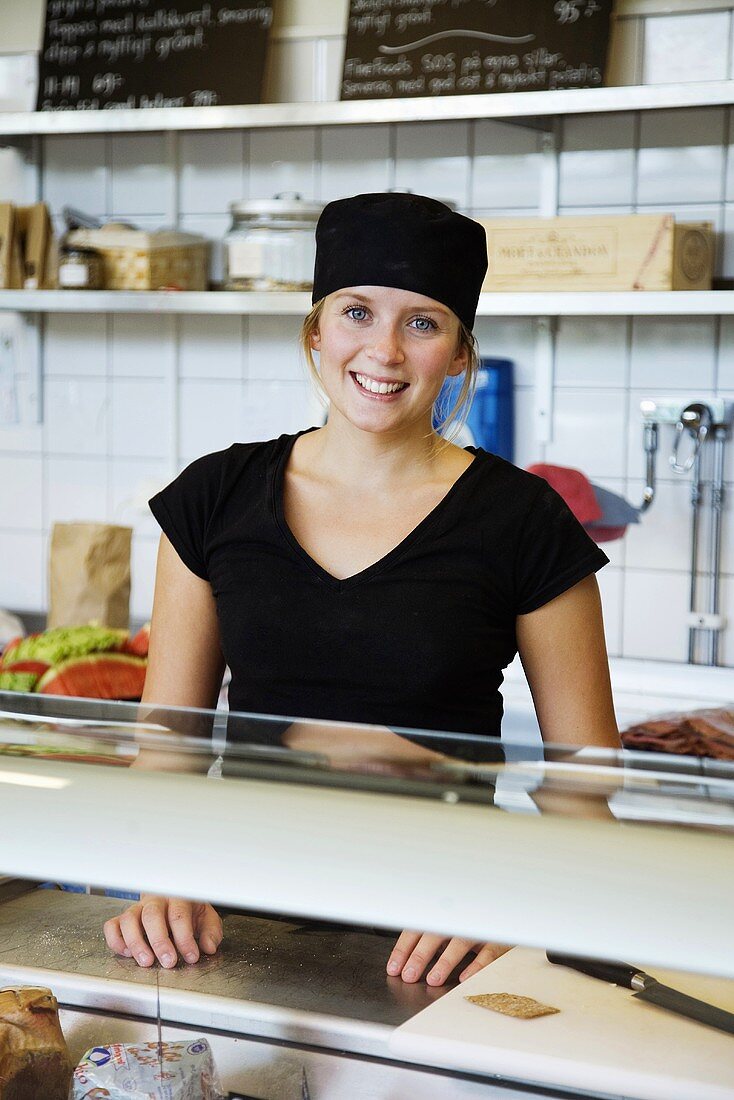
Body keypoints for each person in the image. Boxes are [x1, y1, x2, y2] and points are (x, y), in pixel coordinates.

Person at [103, 192, 620, 987]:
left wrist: (513, 906)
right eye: (356, 312)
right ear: (315, 330)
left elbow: (584, 786)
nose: (383, 351)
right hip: (236, 928)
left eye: (422, 322)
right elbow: (167, 747)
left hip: (441, 935)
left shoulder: (524, 521)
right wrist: (163, 882)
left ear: (456, 353)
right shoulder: (214, 497)